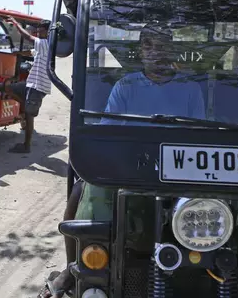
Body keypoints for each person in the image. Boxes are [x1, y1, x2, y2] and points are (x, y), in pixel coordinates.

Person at [38, 28, 206, 298]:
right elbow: (106, 132)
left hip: (181, 172)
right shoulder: (126, 86)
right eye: (148, 46)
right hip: (129, 168)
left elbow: (199, 137)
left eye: (161, 44)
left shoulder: (190, 88)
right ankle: (74, 267)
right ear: (141, 52)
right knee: (80, 193)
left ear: (170, 49)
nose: (155, 51)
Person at [6, 17, 52, 154]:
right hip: (31, 83)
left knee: (29, 115)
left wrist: (16, 24)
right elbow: (31, 52)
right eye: (38, 30)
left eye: (41, 30)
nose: (38, 32)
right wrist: (17, 53)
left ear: (48, 32)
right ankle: (26, 106)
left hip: (38, 85)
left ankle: (26, 146)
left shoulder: (46, 43)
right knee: (8, 87)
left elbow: (27, 37)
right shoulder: (42, 46)